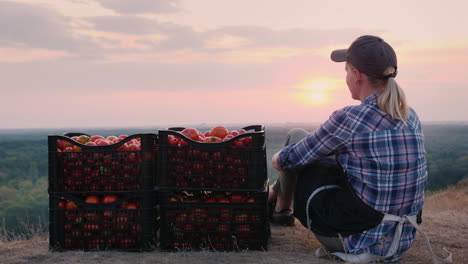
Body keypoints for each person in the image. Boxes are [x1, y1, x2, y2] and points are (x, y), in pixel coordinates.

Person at [268, 35, 452, 263]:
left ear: (356, 75)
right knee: (318, 150)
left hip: (357, 242)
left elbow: (288, 160)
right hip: (399, 241)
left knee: (297, 139)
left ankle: (280, 210)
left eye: (346, 71)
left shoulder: (350, 118)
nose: (345, 77)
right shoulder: (409, 115)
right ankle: (279, 207)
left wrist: (278, 161)